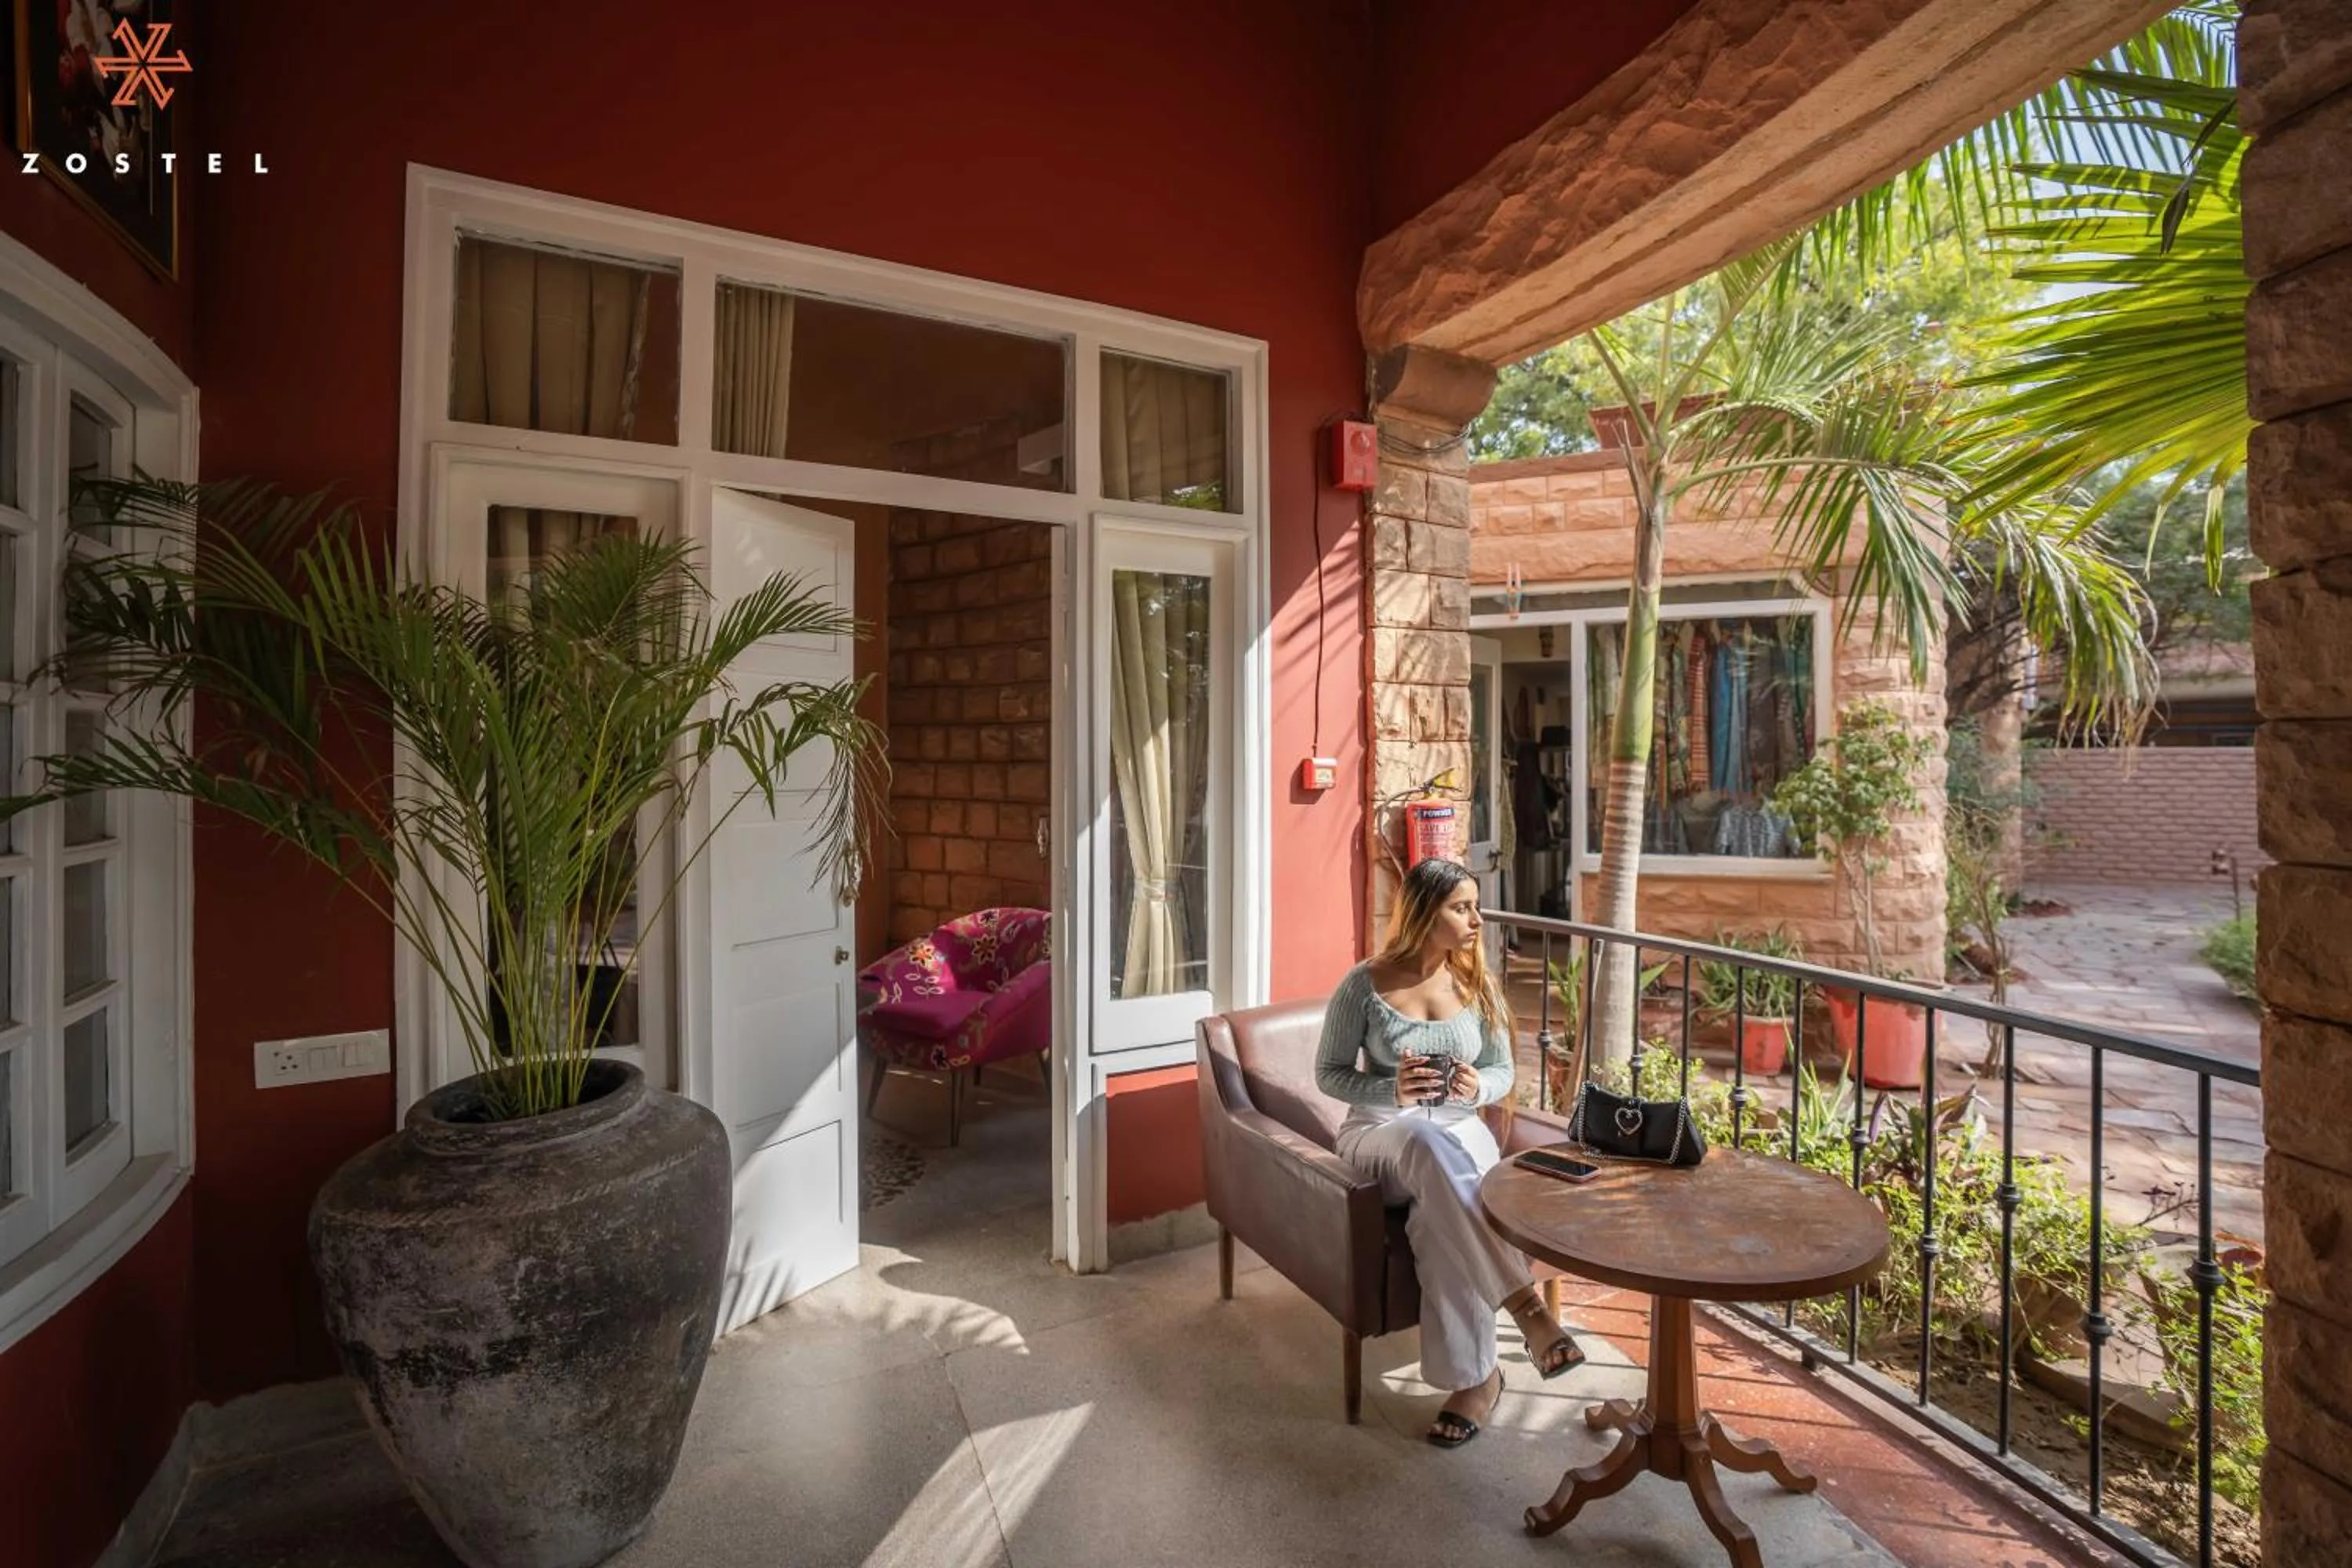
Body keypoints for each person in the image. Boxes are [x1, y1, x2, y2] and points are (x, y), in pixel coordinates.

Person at [1316, 857, 1584, 1448]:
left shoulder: (1476, 983)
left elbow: (1502, 1070)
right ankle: (1528, 1309)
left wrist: (1476, 1086)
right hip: (1380, 1131)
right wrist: (1391, 1089)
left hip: (1459, 1126)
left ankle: (1476, 1381)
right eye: (1462, 908)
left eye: (1475, 907)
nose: (1476, 920)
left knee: (1439, 1219)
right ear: (1422, 913)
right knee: (1425, 1140)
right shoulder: (1363, 984)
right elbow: (1329, 1074)